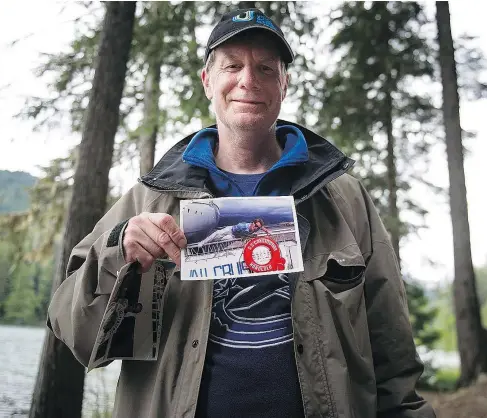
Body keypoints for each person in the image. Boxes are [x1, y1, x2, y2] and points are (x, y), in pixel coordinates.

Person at [47, 7, 436, 418]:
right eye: (233, 65)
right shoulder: (151, 197)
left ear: (284, 85)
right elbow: (75, 333)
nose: (248, 81)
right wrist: (117, 250)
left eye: (266, 69)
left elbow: (393, 352)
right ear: (207, 82)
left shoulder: (344, 197)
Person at [197, 218, 270, 247]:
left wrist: (266, 231)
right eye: (256, 225)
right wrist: (245, 237)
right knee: (217, 233)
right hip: (231, 229)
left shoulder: (256, 228)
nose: (256, 228)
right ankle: (202, 243)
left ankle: (208, 244)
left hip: (233, 236)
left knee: (218, 240)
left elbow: (262, 227)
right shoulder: (242, 225)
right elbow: (239, 232)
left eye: (258, 227)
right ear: (252, 223)